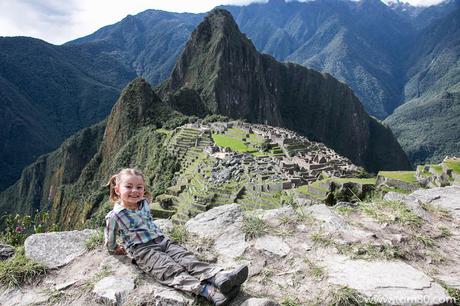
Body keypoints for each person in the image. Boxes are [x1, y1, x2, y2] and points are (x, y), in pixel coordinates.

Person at [104, 168, 248, 306]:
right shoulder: (115, 216)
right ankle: (208, 292)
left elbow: (147, 202)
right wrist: (114, 248)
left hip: (163, 240)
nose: (135, 191)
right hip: (144, 251)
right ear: (117, 190)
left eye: (139, 187)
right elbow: (109, 238)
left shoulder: (144, 203)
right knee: (170, 270)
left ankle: (218, 277)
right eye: (129, 187)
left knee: (187, 259)